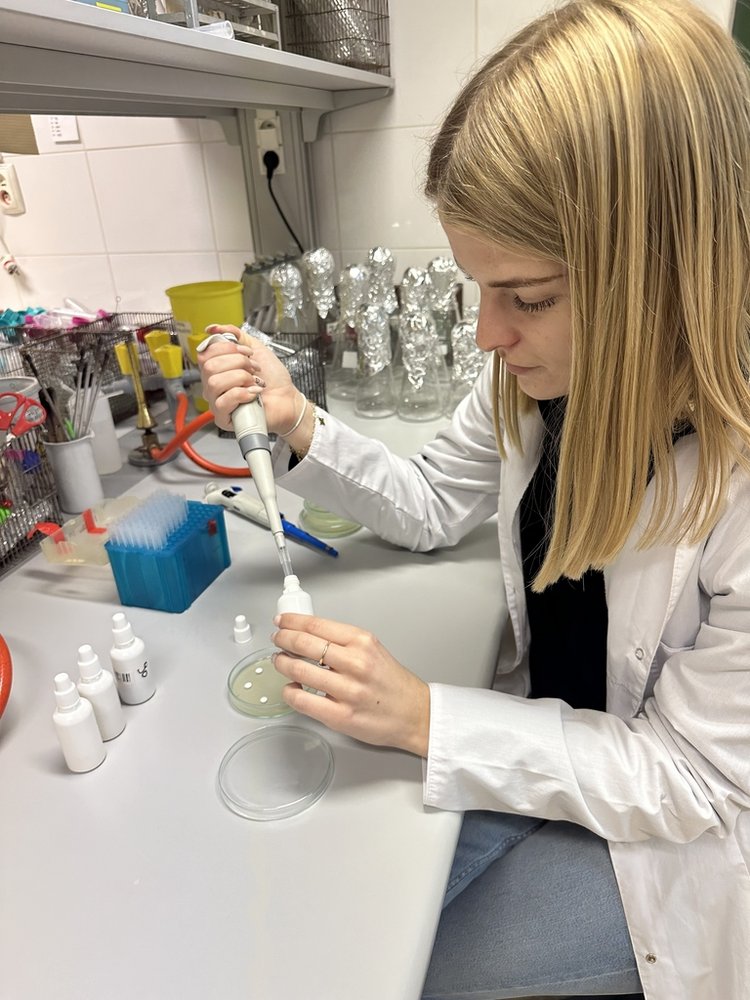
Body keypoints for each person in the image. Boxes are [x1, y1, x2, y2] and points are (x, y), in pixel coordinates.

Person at [198, 1, 750, 996]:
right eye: (478, 291)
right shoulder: (544, 378)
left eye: (526, 297)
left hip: (676, 836)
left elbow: (691, 779)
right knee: (334, 899)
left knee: (395, 965)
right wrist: (298, 423)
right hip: (554, 739)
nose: (490, 336)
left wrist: (426, 717)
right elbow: (427, 498)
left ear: (658, 275)